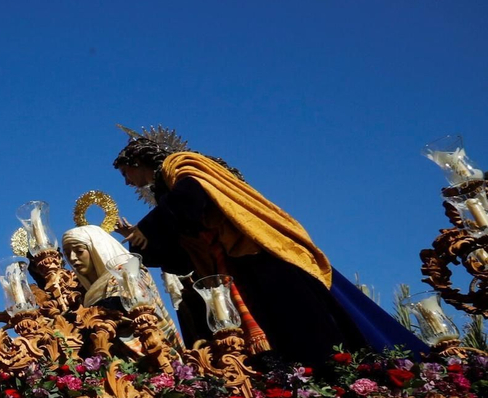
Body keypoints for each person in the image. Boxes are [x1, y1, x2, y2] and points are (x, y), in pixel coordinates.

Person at [112, 125, 423, 366]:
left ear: (138, 161)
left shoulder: (184, 165)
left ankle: (339, 372)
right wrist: (145, 245)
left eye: (127, 173)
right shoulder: (170, 190)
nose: (127, 182)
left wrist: (146, 230)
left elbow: (189, 202)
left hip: (263, 254)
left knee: (304, 323)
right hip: (235, 265)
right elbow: (183, 245)